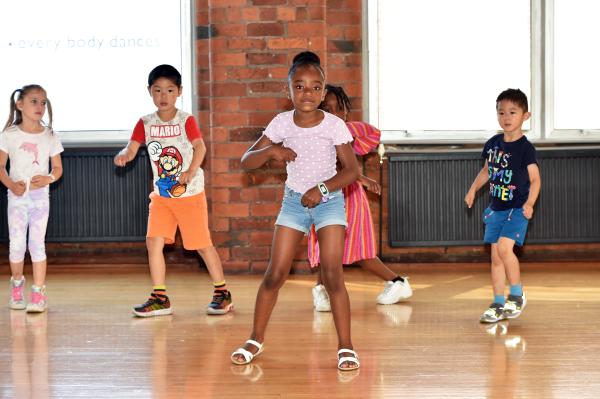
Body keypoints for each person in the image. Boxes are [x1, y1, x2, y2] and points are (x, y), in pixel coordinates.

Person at [230, 51, 360, 371]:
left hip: (328, 202)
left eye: (315, 87)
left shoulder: (334, 125)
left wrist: (323, 189)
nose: (307, 93)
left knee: (331, 274)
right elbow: (247, 161)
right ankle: (255, 339)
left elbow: (352, 171)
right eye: (299, 86)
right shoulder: (281, 123)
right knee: (275, 274)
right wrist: (271, 150)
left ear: (324, 90)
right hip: (293, 203)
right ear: (288, 89)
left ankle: (346, 346)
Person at [114, 64, 233, 317]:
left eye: (169, 90)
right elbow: (132, 147)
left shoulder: (185, 120)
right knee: (153, 241)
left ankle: (222, 292)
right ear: (150, 92)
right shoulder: (145, 122)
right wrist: (124, 155)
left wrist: (191, 170)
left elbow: (200, 147)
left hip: (190, 195)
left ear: (179, 92)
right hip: (162, 196)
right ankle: (160, 297)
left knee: (201, 245)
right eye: (157, 90)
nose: (163, 96)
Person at [308, 84, 412, 311]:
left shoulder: (342, 132)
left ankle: (397, 282)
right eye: (327, 108)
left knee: (358, 250)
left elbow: (371, 134)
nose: (334, 114)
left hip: (349, 198)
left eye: (339, 109)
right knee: (326, 248)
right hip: (325, 197)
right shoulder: (314, 136)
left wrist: (346, 130)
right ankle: (322, 290)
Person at [464, 88, 541, 323]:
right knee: (496, 258)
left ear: (525, 116)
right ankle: (498, 302)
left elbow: (536, 179)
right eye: (501, 113)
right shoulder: (493, 144)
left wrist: (529, 203)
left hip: (517, 209)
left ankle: (516, 295)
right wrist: (473, 189)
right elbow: (488, 170)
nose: (506, 118)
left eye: (512, 112)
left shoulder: (526, 149)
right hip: (495, 209)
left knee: (506, 250)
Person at [0, 84, 64, 313]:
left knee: (37, 244)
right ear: (20, 105)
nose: (40, 107)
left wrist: (48, 178)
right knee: (17, 245)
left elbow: (57, 168)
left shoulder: (50, 136)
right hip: (17, 197)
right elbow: (1, 168)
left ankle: (38, 292)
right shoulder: (9, 135)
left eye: (43, 102)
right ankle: (17, 285)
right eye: (34, 101)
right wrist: (10, 185)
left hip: (39, 198)